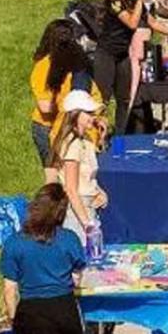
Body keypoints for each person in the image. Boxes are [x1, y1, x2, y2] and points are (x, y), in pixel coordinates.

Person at [96, 0, 168, 133]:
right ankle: (97, 135)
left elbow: (151, 22)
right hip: (107, 53)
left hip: (123, 55)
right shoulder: (115, 0)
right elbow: (132, 23)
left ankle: (121, 135)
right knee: (102, 98)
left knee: (124, 98)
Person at [1, 184, 88, 334]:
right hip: (64, 310)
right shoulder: (70, 239)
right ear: (61, 212)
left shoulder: (13, 242)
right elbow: (76, 277)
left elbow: (9, 289)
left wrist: (14, 318)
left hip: (30, 312)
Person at [29, 19, 95, 179]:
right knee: (53, 176)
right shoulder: (43, 67)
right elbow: (45, 107)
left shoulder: (77, 63)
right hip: (47, 128)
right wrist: (66, 102)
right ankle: (49, 203)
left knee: (74, 175)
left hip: (69, 124)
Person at [50, 89, 108, 241]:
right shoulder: (72, 144)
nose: (93, 117)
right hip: (77, 213)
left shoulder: (87, 139)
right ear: (76, 114)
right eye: (88, 113)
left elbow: (87, 177)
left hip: (89, 208)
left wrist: (98, 191)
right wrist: (87, 225)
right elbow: (71, 189)